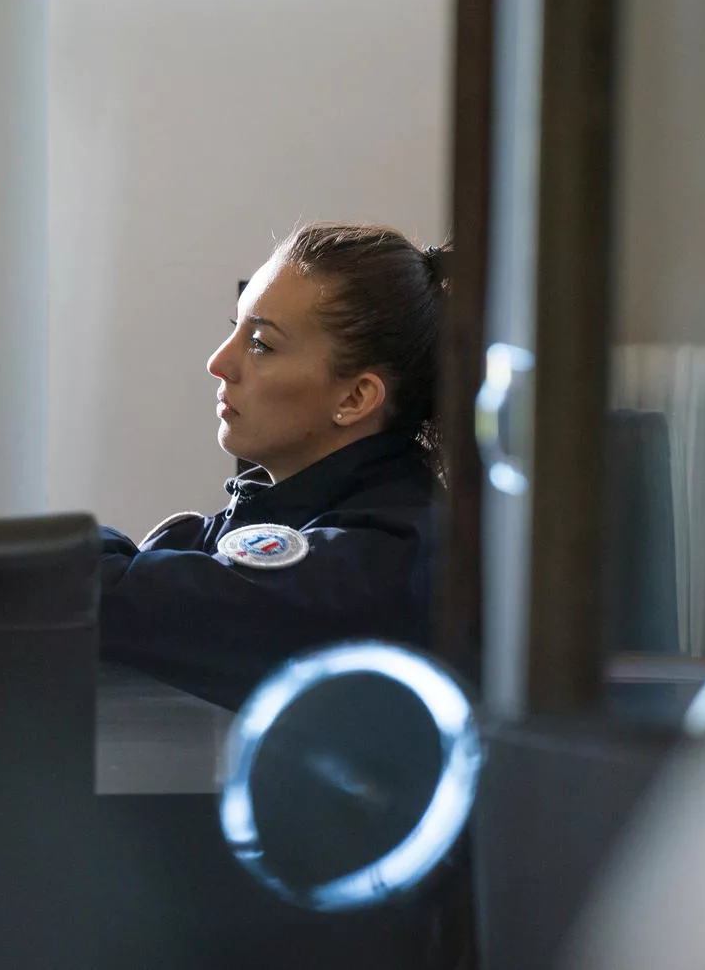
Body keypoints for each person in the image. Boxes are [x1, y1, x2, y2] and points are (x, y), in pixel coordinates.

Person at [98, 223, 445, 709]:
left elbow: (104, 598)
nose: (218, 362)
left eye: (260, 343)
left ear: (355, 397)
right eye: (234, 329)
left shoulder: (381, 561)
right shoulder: (275, 518)